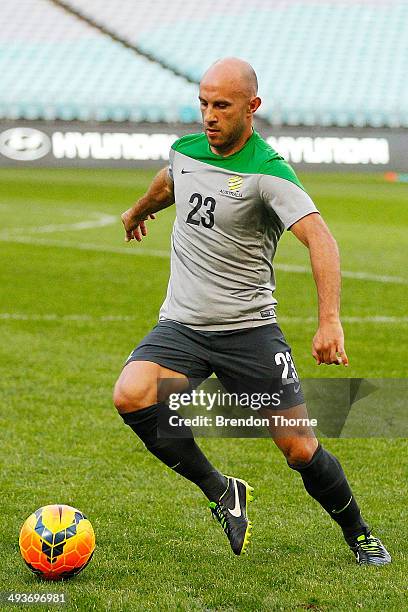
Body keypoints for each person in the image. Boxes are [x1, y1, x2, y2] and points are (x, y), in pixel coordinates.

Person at [113, 58, 391, 565]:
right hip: (182, 326)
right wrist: (138, 211)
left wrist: (329, 319)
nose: (209, 115)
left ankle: (359, 534)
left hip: (248, 333)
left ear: (251, 107)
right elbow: (168, 182)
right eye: (203, 103)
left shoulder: (268, 173)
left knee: (300, 450)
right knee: (130, 395)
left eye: (221, 105)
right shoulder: (186, 151)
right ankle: (223, 491)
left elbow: (321, 239)